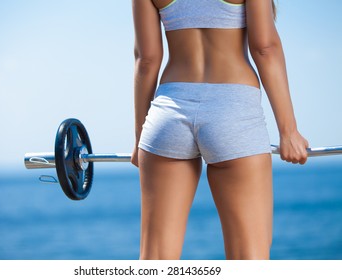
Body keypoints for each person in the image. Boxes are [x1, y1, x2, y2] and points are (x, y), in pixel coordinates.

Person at [131, 0, 309, 260]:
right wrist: (289, 130)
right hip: (233, 109)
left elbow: (146, 60)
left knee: (156, 260)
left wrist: (140, 136)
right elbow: (265, 48)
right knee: (249, 259)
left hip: (168, 112)